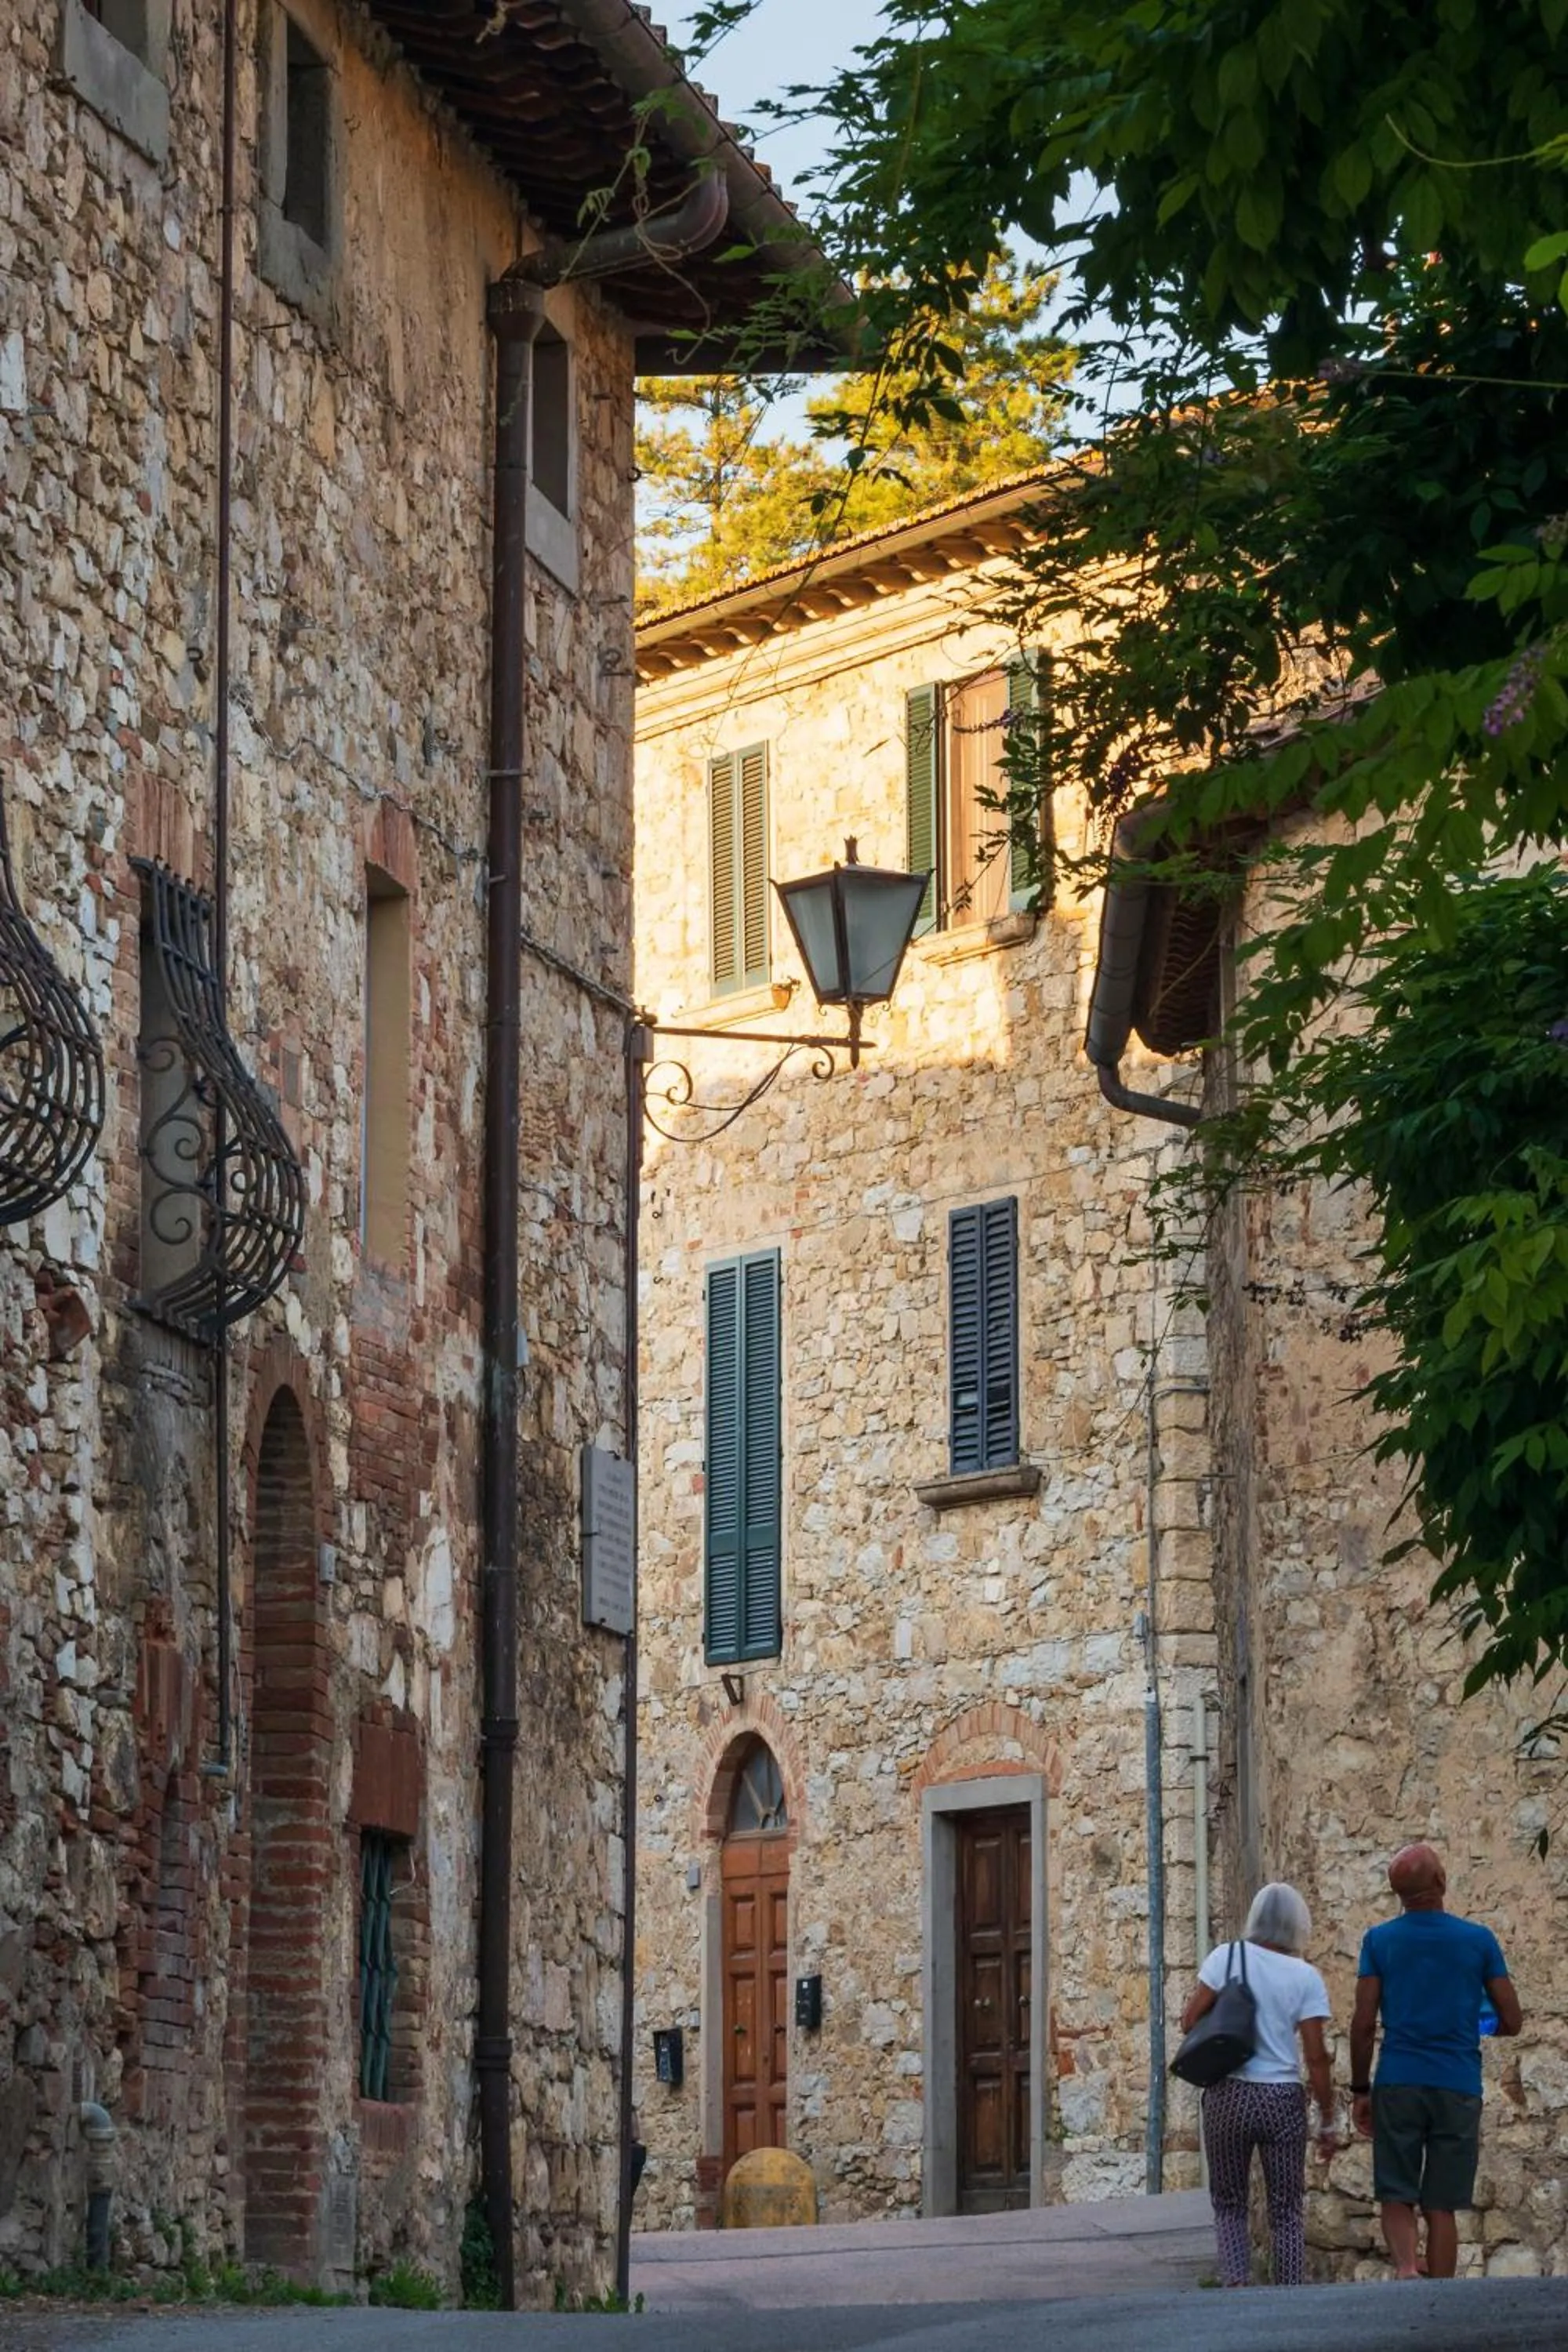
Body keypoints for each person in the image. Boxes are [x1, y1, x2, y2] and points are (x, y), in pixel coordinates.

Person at [1349, 1842, 1521, 2281]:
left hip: (1399, 2079)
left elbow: (1364, 2022)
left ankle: (1407, 2269)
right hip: (1458, 2083)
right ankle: (1441, 2301)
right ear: (1441, 1881)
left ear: (1398, 1894)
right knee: (1441, 2203)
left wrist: (1360, 2089)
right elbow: (1512, 2019)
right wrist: (1481, 2028)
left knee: (1396, 2190)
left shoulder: (1379, 1941)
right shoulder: (1478, 1941)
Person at [1181, 1882, 1338, 2289]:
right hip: (1281, 2098)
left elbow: (1188, 2020)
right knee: (1286, 2209)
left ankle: (1236, 2282)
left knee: (1229, 2201)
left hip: (1229, 2093)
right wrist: (1326, 2116)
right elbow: (1316, 2056)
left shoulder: (1226, 1958)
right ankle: (1288, 2294)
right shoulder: (1306, 1977)